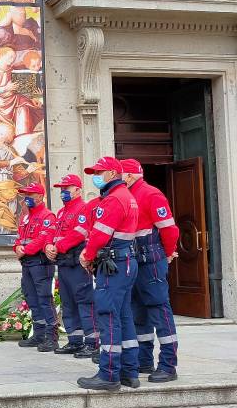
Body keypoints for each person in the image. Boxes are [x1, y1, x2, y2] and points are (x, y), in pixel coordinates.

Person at [77, 156, 140, 392]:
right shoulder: (128, 197)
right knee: (123, 315)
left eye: (99, 172)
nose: (96, 176)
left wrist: (86, 255)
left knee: (107, 315)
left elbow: (100, 235)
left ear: (113, 174)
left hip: (113, 264)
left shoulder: (113, 200)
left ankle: (109, 374)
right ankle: (129, 372)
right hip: (124, 262)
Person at [121, 159, 180, 383]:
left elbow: (170, 229)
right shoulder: (126, 195)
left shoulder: (151, 194)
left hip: (151, 260)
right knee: (138, 312)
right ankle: (144, 360)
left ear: (129, 175)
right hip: (135, 260)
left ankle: (168, 365)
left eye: (120, 174)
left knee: (158, 309)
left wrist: (167, 254)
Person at [45, 174, 97, 358]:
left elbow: (78, 234)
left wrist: (57, 246)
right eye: (61, 189)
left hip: (77, 263)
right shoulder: (61, 212)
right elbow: (53, 232)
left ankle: (92, 342)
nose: (62, 192)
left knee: (84, 302)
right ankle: (75, 341)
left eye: (66, 189)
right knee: (68, 303)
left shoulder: (83, 208)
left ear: (78, 190)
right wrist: (48, 246)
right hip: (64, 262)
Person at [13, 182, 58, 352]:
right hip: (27, 263)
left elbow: (43, 239)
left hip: (40, 263)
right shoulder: (26, 217)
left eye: (30, 195)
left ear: (40, 196)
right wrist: (17, 247)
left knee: (44, 300)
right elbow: (19, 237)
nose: (27, 198)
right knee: (32, 299)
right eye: (25, 195)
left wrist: (24, 250)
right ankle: (38, 335)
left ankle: (51, 338)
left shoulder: (47, 216)